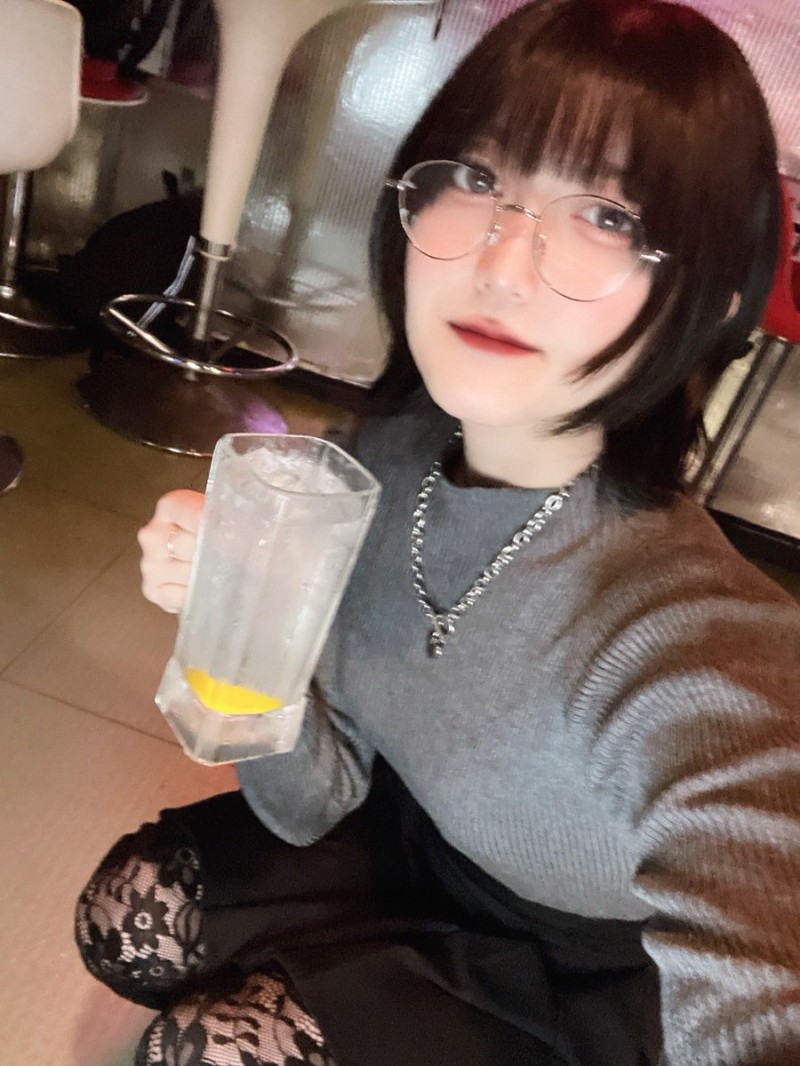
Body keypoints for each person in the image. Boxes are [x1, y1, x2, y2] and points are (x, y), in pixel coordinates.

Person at [75, 2, 800, 1064]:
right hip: (413, 840)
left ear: (713, 293)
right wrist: (241, 628)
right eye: (476, 177)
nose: (501, 261)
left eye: (606, 215)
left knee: (207, 1049)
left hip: (586, 970)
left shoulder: (692, 642)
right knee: (124, 917)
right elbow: (306, 803)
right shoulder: (377, 463)